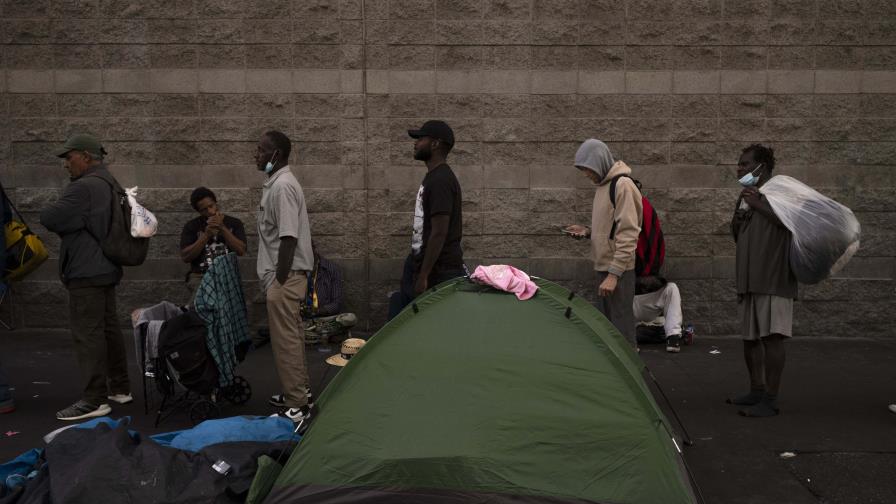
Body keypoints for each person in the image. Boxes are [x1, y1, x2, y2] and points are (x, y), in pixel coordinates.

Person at [40, 134, 131, 421]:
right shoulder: (109, 182)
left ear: (86, 157)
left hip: (86, 270)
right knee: (107, 328)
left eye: (70, 158)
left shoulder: (84, 188)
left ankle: (94, 399)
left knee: (87, 334)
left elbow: (50, 217)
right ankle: (120, 387)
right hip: (106, 267)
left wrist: (72, 222)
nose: (66, 164)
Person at [728, 144, 796, 418]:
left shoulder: (781, 192)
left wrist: (759, 204)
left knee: (772, 337)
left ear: (762, 167)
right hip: (749, 278)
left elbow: (792, 223)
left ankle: (771, 398)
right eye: (739, 164)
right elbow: (738, 233)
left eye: (745, 164)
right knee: (750, 338)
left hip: (773, 276)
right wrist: (742, 212)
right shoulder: (745, 196)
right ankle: (756, 389)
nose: (740, 169)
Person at [255, 130, 315, 424]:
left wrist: (278, 281)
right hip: (287, 276)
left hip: (285, 278)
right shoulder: (278, 184)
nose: (256, 154)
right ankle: (300, 394)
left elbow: (288, 238)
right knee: (292, 337)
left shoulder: (282, 187)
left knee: (286, 341)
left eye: (261, 150)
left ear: (275, 155)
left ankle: (298, 406)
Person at [564, 139, 642, 347]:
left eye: (588, 169)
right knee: (608, 333)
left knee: (622, 334)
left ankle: (632, 377)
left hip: (618, 272)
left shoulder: (622, 185)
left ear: (599, 162)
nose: (586, 175)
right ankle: (613, 378)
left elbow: (628, 233)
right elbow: (611, 230)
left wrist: (614, 275)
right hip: (604, 269)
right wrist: (588, 232)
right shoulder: (603, 187)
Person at [388, 120, 465, 319]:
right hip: (421, 265)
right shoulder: (434, 176)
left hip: (438, 272)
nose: (416, 143)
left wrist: (423, 276)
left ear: (435, 144)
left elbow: (440, 232)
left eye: (421, 138)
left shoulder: (441, 180)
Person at [179, 187, 247, 301]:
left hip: (227, 276)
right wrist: (206, 235)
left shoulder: (234, 223)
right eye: (204, 209)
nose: (210, 211)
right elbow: (186, 257)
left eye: (211, 206)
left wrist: (222, 228)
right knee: (203, 304)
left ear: (216, 203)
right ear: (199, 211)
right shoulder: (192, 226)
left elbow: (241, 251)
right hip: (200, 276)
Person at [633, 276, 684, 353]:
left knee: (672, 287)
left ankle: (673, 336)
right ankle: (630, 341)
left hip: (651, 301)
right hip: (630, 301)